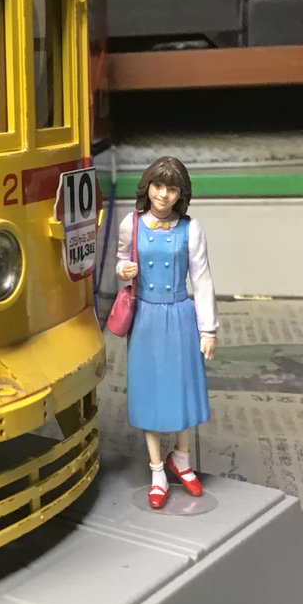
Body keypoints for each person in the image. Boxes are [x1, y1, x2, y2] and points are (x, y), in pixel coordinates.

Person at [116, 156, 217, 509]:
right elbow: (119, 259)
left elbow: (202, 280)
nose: (163, 195)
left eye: (171, 189)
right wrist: (123, 270)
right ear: (147, 187)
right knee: (150, 391)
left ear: (181, 194)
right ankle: (157, 469)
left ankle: (182, 459)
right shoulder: (130, 224)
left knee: (182, 388)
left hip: (179, 316)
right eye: (158, 186)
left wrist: (208, 329)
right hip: (145, 317)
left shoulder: (192, 229)